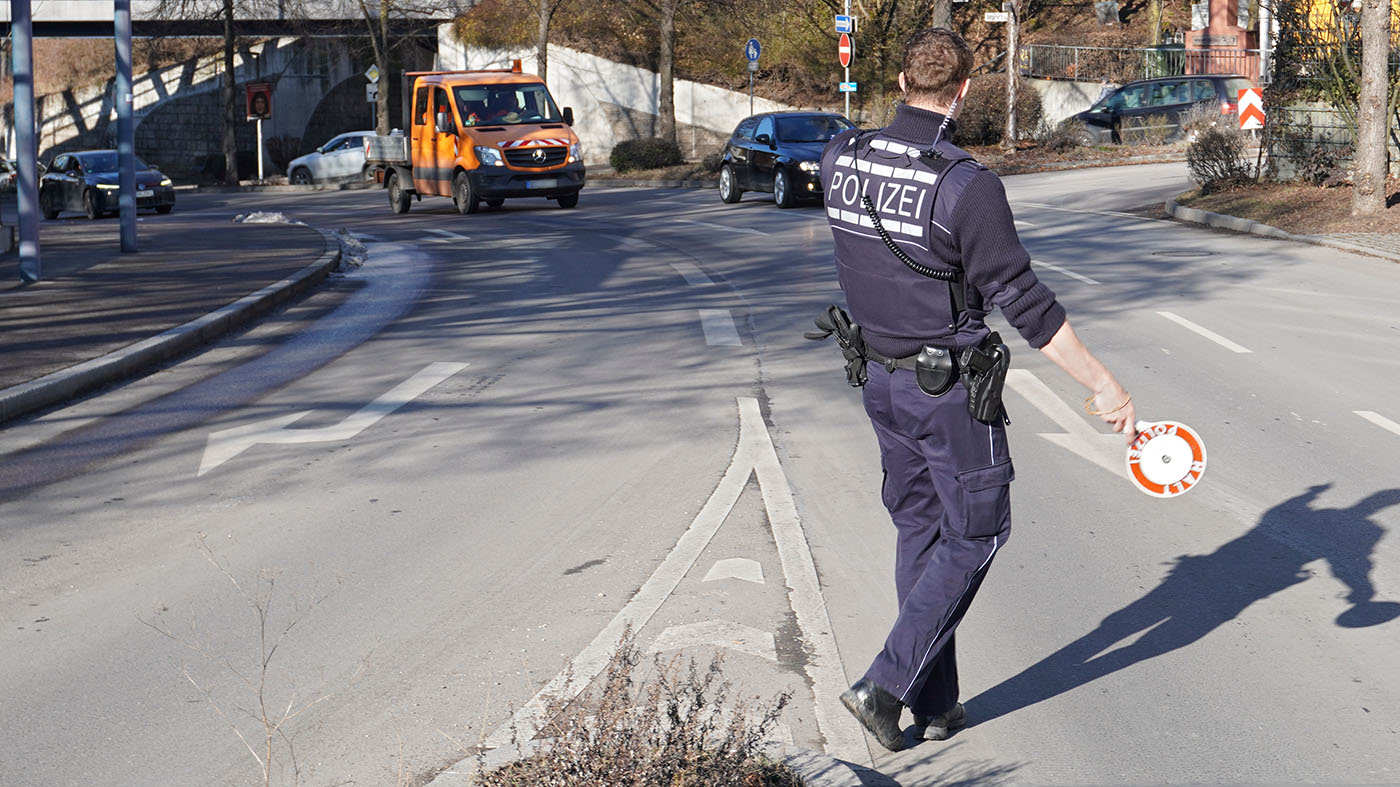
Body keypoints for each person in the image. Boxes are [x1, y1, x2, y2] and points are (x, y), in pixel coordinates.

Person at [814, 27, 1138, 752]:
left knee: (920, 531)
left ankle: (936, 704)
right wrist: (1106, 385)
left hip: (879, 383)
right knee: (979, 532)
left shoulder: (840, 158)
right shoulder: (966, 186)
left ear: (900, 84)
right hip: (950, 393)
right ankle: (884, 685)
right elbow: (1026, 304)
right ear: (962, 92)